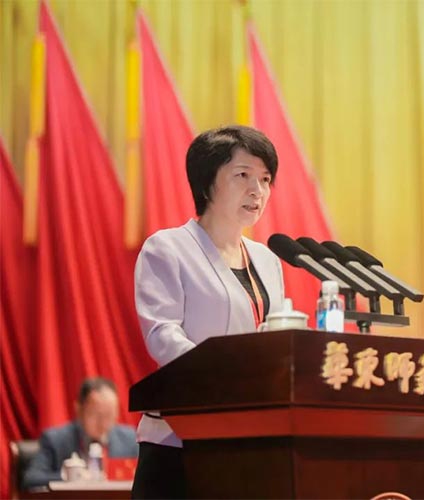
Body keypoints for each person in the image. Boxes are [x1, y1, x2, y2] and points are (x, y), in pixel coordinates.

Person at [131, 126, 285, 498]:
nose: (257, 190)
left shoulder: (267, 260)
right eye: (243, 175)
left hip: (249, 443)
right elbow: (163, 336)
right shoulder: (167, 248)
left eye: (265, 179)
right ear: (206, 182)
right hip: (179, 444)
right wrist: (227, 379)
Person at [22, 377, 137, 489]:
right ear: (79, 410)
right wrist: (68, 476)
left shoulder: (130, 439)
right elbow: (31, 479)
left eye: (109, 415)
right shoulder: (55, 440)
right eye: (96, 415)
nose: (103, 423)